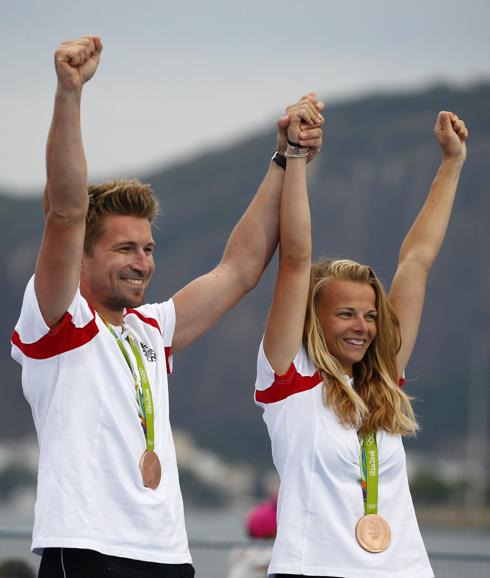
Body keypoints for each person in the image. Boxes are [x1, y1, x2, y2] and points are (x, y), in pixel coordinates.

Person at [10, 35, 324, 578]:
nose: (142, 262)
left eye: (149, 249)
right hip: (88, 550)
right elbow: (64, 213)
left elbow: (241, 270)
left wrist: (284, 158)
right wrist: (69, 95)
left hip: (168, 555)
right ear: (81, 258)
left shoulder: (152, 329)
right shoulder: (58, 322)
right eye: (125, 248)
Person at [255, 105, 468, 578]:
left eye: (370, 315)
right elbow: (294, 259)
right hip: (314, 570)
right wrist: (294, 158)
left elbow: (416, 261)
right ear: (314, 317)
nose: (363, 326)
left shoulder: (382, 380)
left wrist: (452, 164)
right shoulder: (290, 379)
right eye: (346, 313)